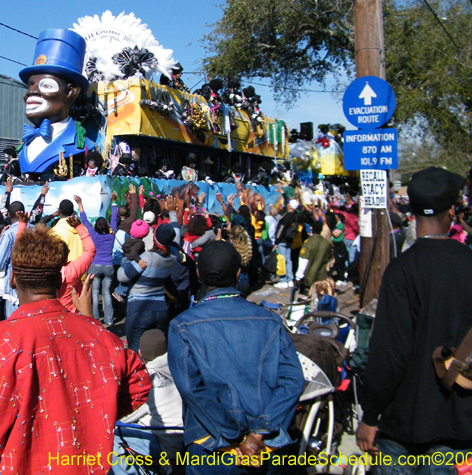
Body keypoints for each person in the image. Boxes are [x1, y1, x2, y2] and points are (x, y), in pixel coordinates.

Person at [0, 224, 151, 474]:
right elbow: (139, 385)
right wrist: (97, 415)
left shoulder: (3, 342)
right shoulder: (99, 336)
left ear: (12, 279)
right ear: (59, 279)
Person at [356, 167, 472, 474]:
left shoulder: (402, 270)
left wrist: (370, 415)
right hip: (460, 417)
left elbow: (390, 352)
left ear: (413, 212)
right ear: (451, 211)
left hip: (404, 422)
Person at [168, 241, 304, 474]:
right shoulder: (270, 320)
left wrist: (234, 436)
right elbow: (293, 380)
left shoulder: (182, 326)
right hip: (264, 448)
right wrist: (258, 433)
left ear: (199, 274)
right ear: (238, 274)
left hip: (212, 447)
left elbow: (192, 389)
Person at [17, 29, 96, 180]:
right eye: (30, 86)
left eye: (46, 86)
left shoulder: (83, 146)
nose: (30, 93)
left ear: (71, 92)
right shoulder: (24, 143)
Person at [111, 329, 185, 475]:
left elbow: (124, 417)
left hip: (166, 445)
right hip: (189, 437)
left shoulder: (144, 380)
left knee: (110, 436)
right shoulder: (182, 366)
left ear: (140, 352)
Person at [120, 223, 180, 352]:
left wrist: (123, 264)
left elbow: (123, 277)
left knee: (136, 353)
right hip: (161, 310)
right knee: (158, 353)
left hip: (139, 309)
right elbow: (176, 237)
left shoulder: (146, 258)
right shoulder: (173, 258)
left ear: (154, 237)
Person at [77, 193, 118, 325]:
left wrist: (80, 204)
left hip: (95, 265)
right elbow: (115, 219)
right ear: (107, 226)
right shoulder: (112, 234)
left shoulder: (93, 235)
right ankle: (109, 320)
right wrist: (114, 202)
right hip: (109, 266)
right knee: (106, 293)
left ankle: (95, 319)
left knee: (94, 293)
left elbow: (84, 221)